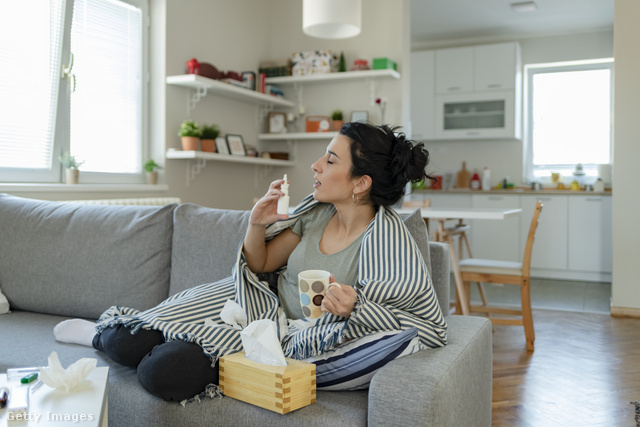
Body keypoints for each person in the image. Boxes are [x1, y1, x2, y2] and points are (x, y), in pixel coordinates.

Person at [54, 122, 447, 402]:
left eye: (329, 161)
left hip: (288, 339)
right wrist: (256, 224)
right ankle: (98, 335)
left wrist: (355, 307)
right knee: (126, 337)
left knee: (161, 374)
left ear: (360, 183)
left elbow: (420, 324)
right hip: (255, 308)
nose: (315, 166)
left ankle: (197, 352)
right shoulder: (314, 214)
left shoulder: (388, 240)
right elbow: (260, 266)